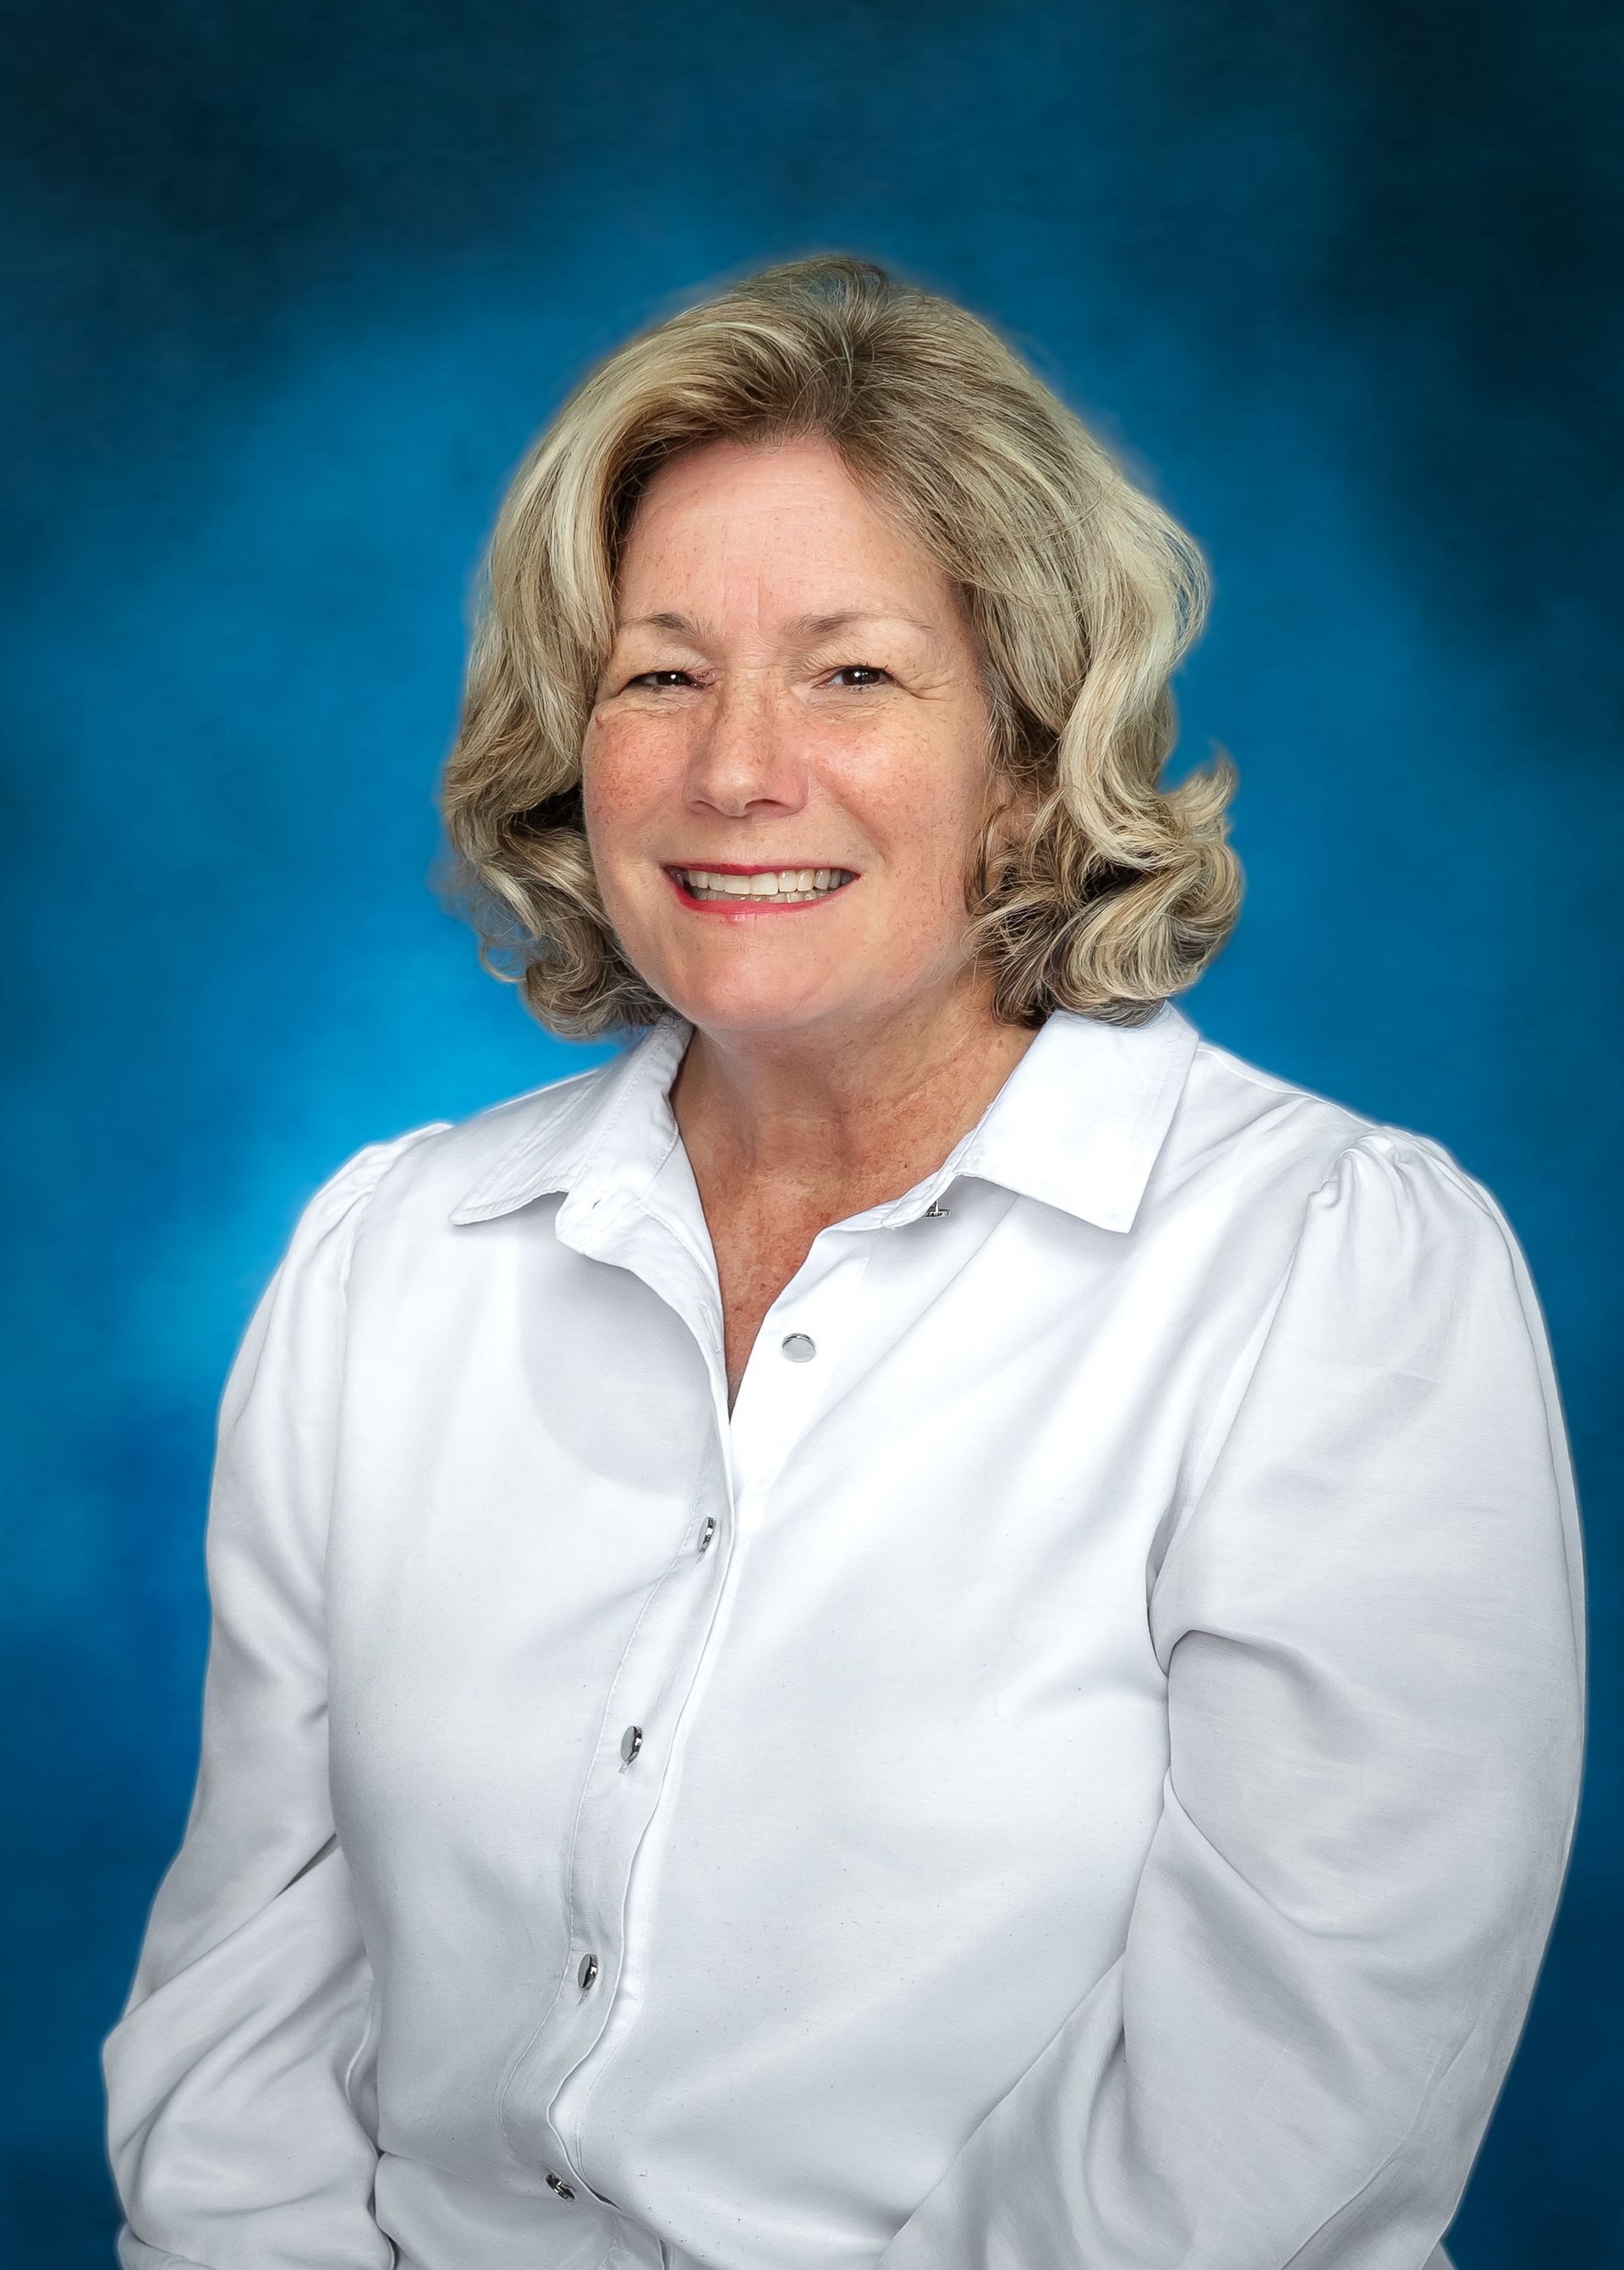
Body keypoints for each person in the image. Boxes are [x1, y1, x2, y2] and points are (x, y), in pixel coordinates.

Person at [103, 253, 1585, 2270]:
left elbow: (1282, 2118)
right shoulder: (394, 1260)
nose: (737, 770)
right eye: (660, 671)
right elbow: (243, 2022)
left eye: (853, 672)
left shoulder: (1331, 1279)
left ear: (1033, 741)